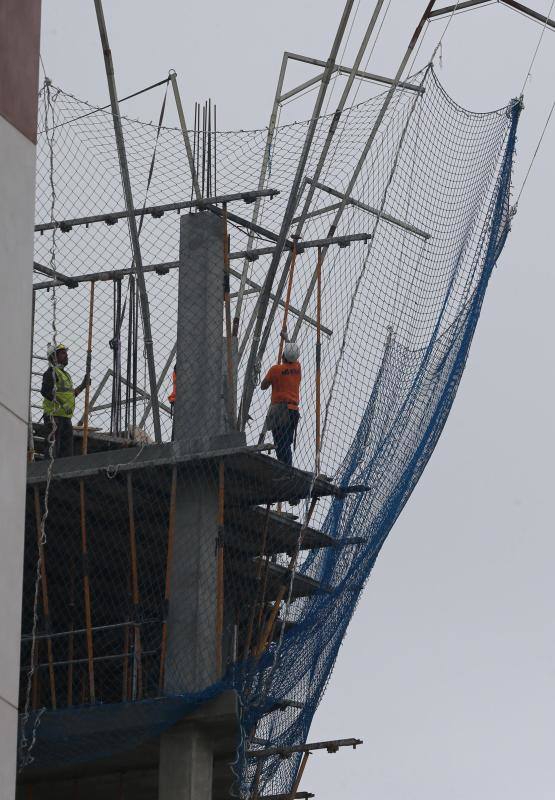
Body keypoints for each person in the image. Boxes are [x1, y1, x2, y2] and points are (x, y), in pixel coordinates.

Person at [41, 343, 88, 458]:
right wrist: (62, 404)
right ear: (54, 357)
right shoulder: (51, 372)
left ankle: (62, 473)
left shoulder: (65, 375)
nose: (66, 355)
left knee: (66, 453)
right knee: (53, 451)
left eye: (65, 352)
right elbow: (46, 391)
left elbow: (70, 395)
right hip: (54, 417)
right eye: (62, 353)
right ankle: (50, 473)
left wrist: (83, 386)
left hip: (66, 418)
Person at [261, 341, 301, 466]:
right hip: (293, 411)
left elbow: (263, 386)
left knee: (280, 443)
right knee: (286, 443)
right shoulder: (297, 368)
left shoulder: (275, 370)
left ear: (283, 355)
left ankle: (286, 469)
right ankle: (288, 467)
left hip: (280, 411)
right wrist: (287, 338)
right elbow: (291, 355)